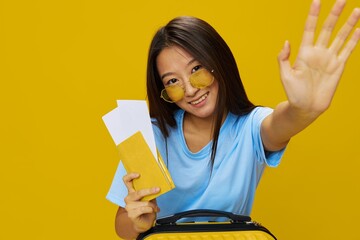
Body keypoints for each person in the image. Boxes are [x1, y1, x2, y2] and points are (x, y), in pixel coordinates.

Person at [106, 0, 360, 239]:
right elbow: (123, 226)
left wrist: (303, 109)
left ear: (219, 62)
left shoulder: (249, 127)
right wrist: (139, 222)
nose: (191, 90)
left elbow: (281, 124)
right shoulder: (150, 134)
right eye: (172, 81)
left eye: (197, 69)